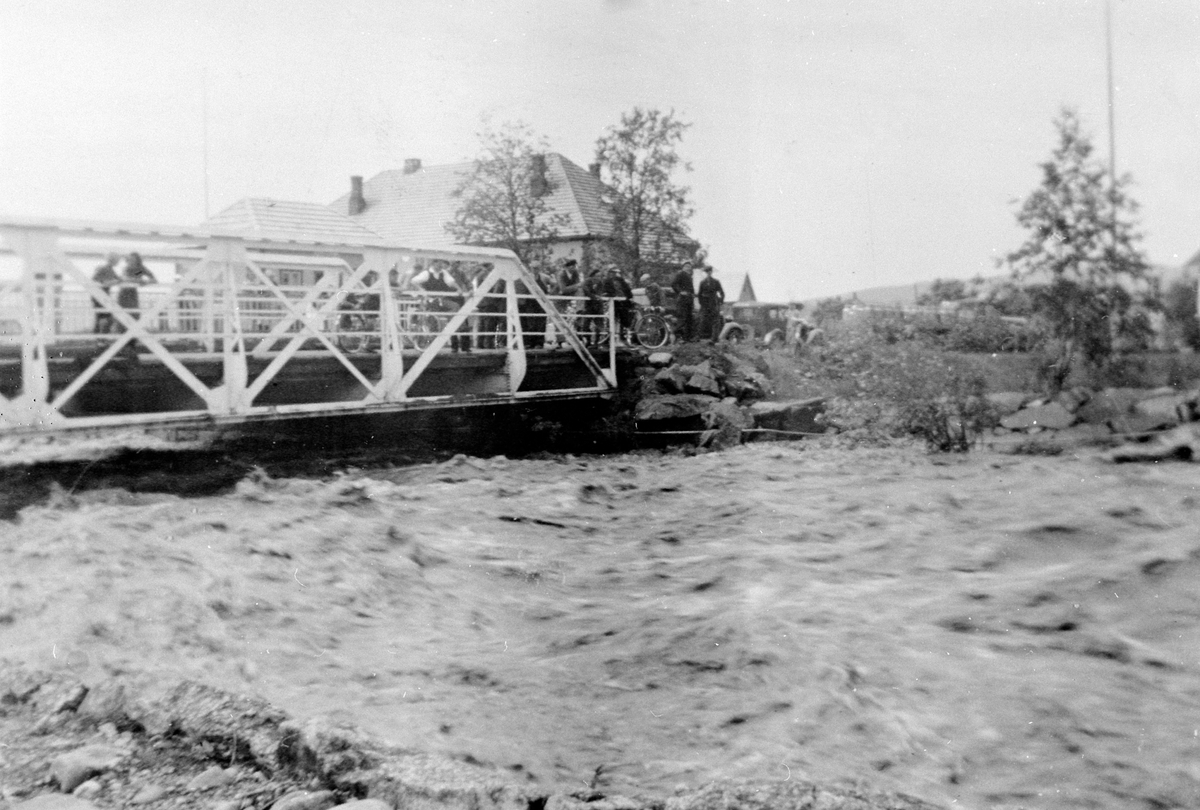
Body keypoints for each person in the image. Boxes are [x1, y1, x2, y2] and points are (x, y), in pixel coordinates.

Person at [91, 253, 121, 334]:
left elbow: (119, 279)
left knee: (103, 317)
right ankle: (100, 339)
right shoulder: (104, 268)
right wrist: (113, 282)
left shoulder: (109, 269)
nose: (118, 261)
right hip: (99, 295)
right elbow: (97, 280)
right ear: (113, 260)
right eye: (117, 259)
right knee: (105, 317)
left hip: (103, 295)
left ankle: (100, 339)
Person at [604, 267, 634, 344]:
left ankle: (625, 338)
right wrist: (613, 296)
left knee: (625, 321)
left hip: (623, 303)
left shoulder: (622, 281)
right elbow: (607, 291)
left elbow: (628, 291)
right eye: (614, 273)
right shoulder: (607, 282)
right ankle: (609, 338)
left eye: (617, 273)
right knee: (611, 320)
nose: (616, 274)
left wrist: (628, 297)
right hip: (614, 303)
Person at [696, 265, 725, 342]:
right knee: (701, 320)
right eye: (707, 272)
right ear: (705, 273)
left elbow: (722, 293)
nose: (708, 273)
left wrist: (720, 302)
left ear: (711, 272)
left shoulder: (716, 282)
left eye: (710, 271)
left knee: (715, 321)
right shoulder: (702, 282)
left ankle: (714, 338)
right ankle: (698, 337)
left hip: (713, 303)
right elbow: (699, 294)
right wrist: (701, 303)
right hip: (705, 304)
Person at [670, 262, 696, 342]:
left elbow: (691, 289)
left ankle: (687, 339)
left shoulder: (689, 276)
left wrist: (692, 295)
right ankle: (673, 334)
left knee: (689, 320)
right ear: (683, 267)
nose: (688, 268)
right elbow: (673, 284)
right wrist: (680, 292)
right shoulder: (681, 274)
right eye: (686, 266)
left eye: (689, 267)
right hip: (683, 300)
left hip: (689, 300)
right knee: (682, 319)